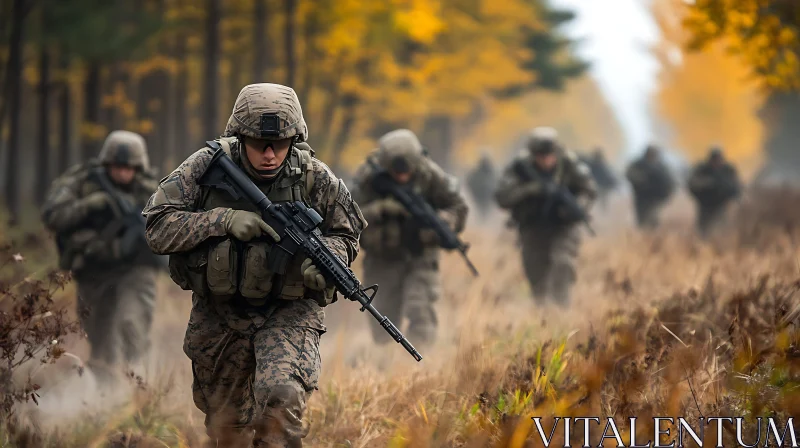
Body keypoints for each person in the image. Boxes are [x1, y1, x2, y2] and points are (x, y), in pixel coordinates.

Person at [142, 83, 366, 447]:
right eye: (258, 143)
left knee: (282, 399)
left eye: (279, 144)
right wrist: (222, 220)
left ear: (294, 140)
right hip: (220, 311)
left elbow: (347, 236)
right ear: (238, 136)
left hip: (290, 310)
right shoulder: (205, 166)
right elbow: (157, 228)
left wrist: (327, 260)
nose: (268, 154)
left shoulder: (315, 177)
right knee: (226, 426)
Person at [42, 130, 162, 384]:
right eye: (116, 166)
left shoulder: (151, 189)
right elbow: (53, 216)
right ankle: (104, 398)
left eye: (128, 167)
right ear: (106, 163)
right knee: (100, 338)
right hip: (93, 270)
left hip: (134, 270)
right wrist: (90, 205)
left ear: (138, 167)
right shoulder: (82, 181)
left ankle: (139, 389)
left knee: (132, 324)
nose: (122, 172)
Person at [351, 129, 468, 346]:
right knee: (381, 318)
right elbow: (346, 216)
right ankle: (385, 369)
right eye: (396, 171)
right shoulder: (368, 177)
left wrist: (441, 220)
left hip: (420, 257)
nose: (402, 176)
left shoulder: (431, 175)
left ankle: (418, 367)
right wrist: (382, 208)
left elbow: (458, 207)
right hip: (381, 258)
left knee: (420, 309)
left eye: (407, 170)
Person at [495, 127, 596, 305]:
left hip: (564, 227)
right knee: (536, 272)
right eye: (540, 156)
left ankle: (561, 309)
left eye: (549, 155)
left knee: (563, 263)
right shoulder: (519, 166)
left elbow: (589, 191)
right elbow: (502, 196)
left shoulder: (569, 164)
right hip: (532, 226)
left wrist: (574, 208)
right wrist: (529, 190)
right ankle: (543, 314)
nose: (546, 160)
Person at [687, 146, 742, 237]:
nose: (716, 161)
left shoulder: (728, 170)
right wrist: (706, 185)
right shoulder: (702, 169)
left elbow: (736, 186)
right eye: (714, 158)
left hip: (722, 205)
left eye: (718, 158)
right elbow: (692, 184)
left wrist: (732, 195)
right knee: (704, 230)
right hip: (705, 205)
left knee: (722, 228)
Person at [625, 144, 676, 229]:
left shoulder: (661, 166)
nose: (652, 155)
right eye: (650, 153)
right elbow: (629, 173)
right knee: (641, 218)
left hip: (656, 197)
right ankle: (643, 235)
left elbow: (670, 181)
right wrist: (641, 179)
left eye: (654, 153)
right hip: (642, 196)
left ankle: (651, 234)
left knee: (653, 217)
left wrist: (667, 193)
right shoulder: (638, 164)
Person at [465, 152, 498, 220]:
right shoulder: (477, 172)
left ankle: (485, 220)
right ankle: (483, 220)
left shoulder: (492, 172)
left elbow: (497, 182)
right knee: (481, 210)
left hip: (488, 195)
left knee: (486, 210)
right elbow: (470, 182)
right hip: (480, 194)